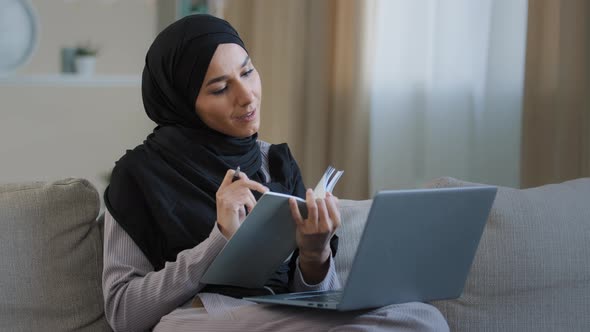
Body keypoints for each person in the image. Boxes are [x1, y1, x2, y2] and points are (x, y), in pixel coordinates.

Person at [102, 14, 448, 332]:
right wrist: (219, 240)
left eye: (248, 72)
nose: (247, 96)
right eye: (221, 88)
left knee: (422, 316)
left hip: (281, 314)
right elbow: (123, 314)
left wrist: (315, 254)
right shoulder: (138, 176)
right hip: (203, 315)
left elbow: (309, 296)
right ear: (181, 104)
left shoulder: (273, 161)